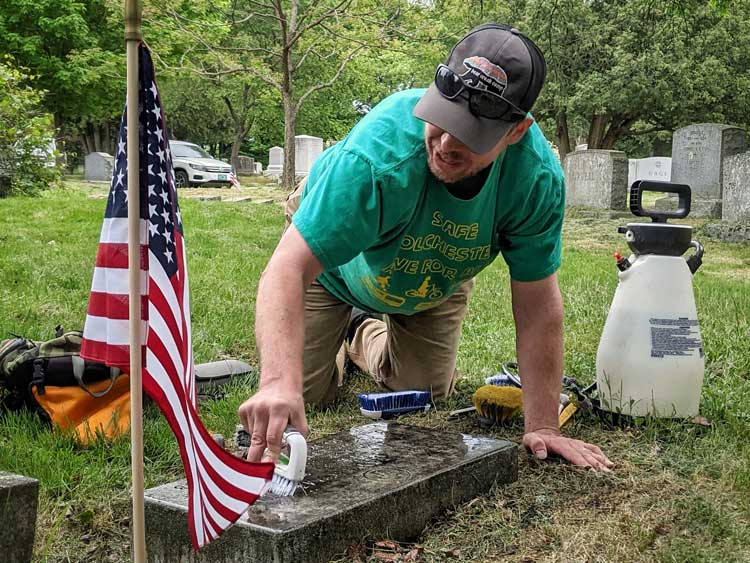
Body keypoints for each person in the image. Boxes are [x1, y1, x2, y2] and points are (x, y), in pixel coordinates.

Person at [239, 23, 613, 471]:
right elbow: (288, 268)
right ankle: (344, 318)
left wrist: (544, 425)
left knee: (423, 392)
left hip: (434, 273)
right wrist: (277, 382)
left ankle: (361, 331)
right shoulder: (374, 157)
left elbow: (537, 305)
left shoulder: (534, 180)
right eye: (444, 118)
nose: (448, 143)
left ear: (516, 131)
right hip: (334, 269)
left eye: (473, 133)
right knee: (306, 397)